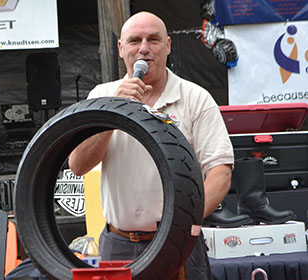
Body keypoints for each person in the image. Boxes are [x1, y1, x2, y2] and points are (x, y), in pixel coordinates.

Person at [69, 11, 234, 279]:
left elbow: (220, 173)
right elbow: (78, 165)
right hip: (119, 243)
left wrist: (181, 222)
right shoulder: (101, 96)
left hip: (179, 240)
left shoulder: (195, 98)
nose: (144, 48)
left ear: (168, 45)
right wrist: (112, 110)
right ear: (121, 49)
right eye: (135, 40)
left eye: (153, 39)